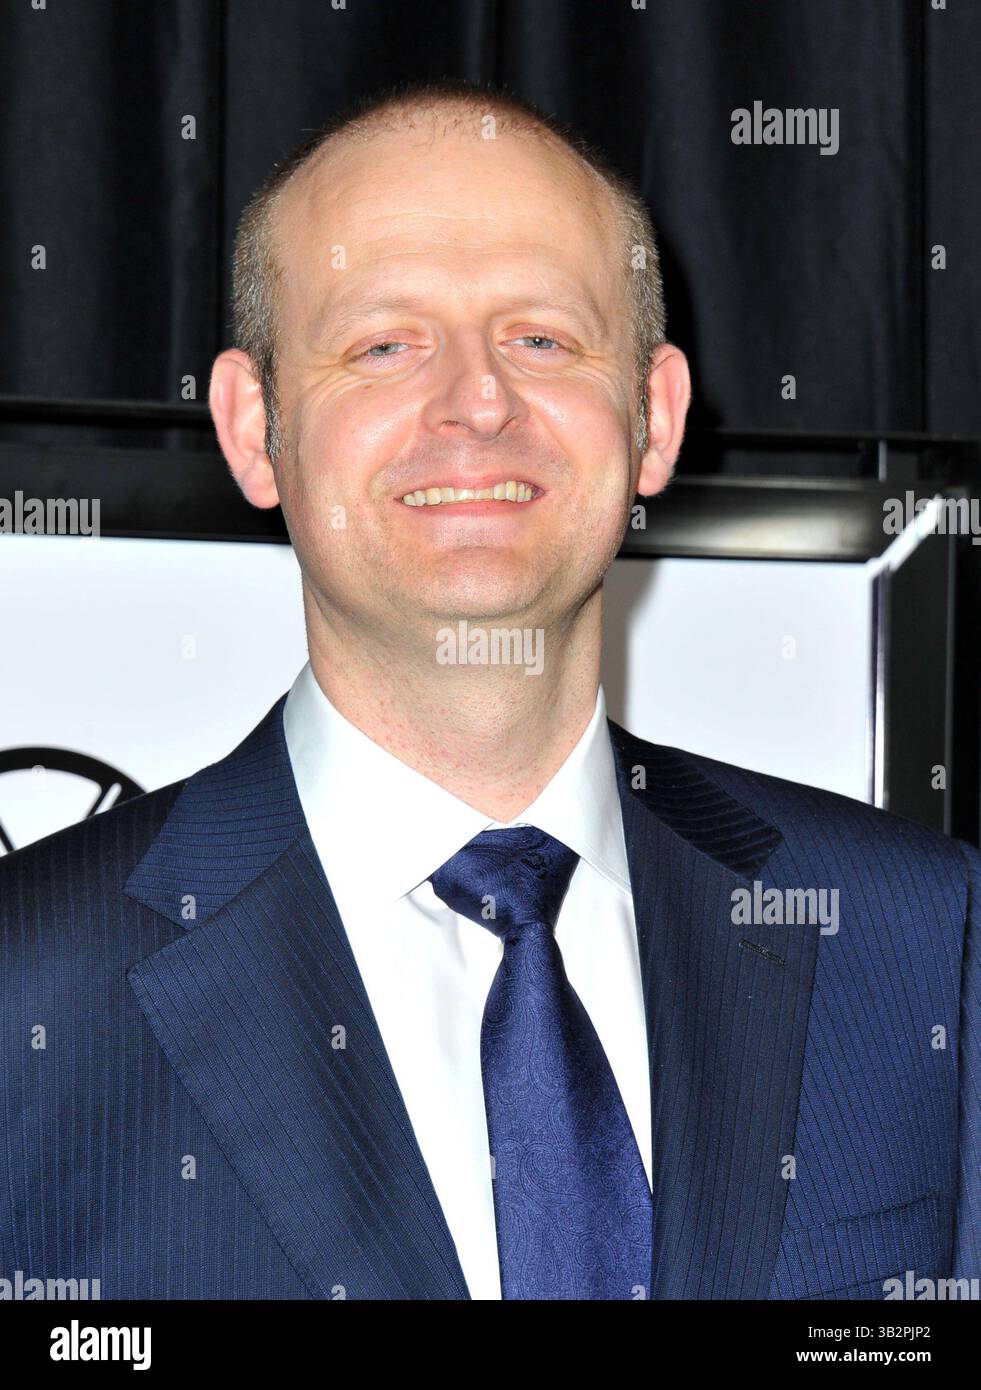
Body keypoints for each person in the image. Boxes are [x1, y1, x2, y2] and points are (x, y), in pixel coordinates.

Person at [1, 79, 978, 1302]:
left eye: (541, 339)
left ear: (654, 418)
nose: (477, 401)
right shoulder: (23, 987)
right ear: (256, 431)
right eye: (384, 345)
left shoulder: (922, 939)